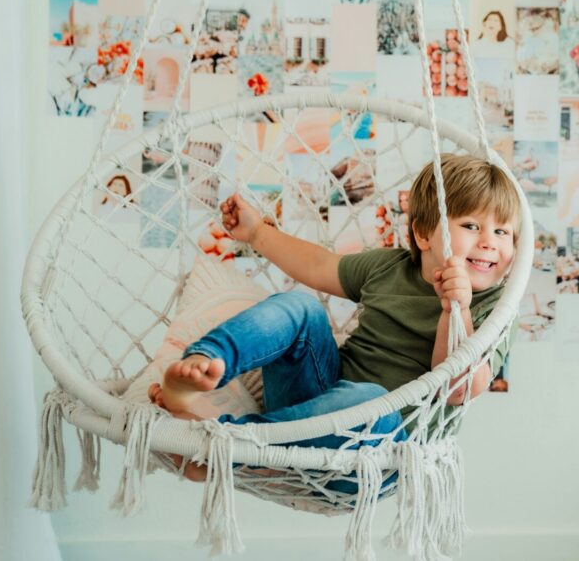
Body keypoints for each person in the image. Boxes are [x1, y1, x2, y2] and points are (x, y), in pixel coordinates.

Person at [148, 154, 520, 481]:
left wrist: (455, 309)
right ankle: (205, 361)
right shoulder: (389, 268)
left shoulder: (495, 308)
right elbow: (317, 265)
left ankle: (223, 446)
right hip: (314, 407)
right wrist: (257, 233)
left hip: (382, 451)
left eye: (502, 231)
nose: (490, 242)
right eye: (472, 226)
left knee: (372, 399)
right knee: (302, 307)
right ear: (424, 234)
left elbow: (456, 390)